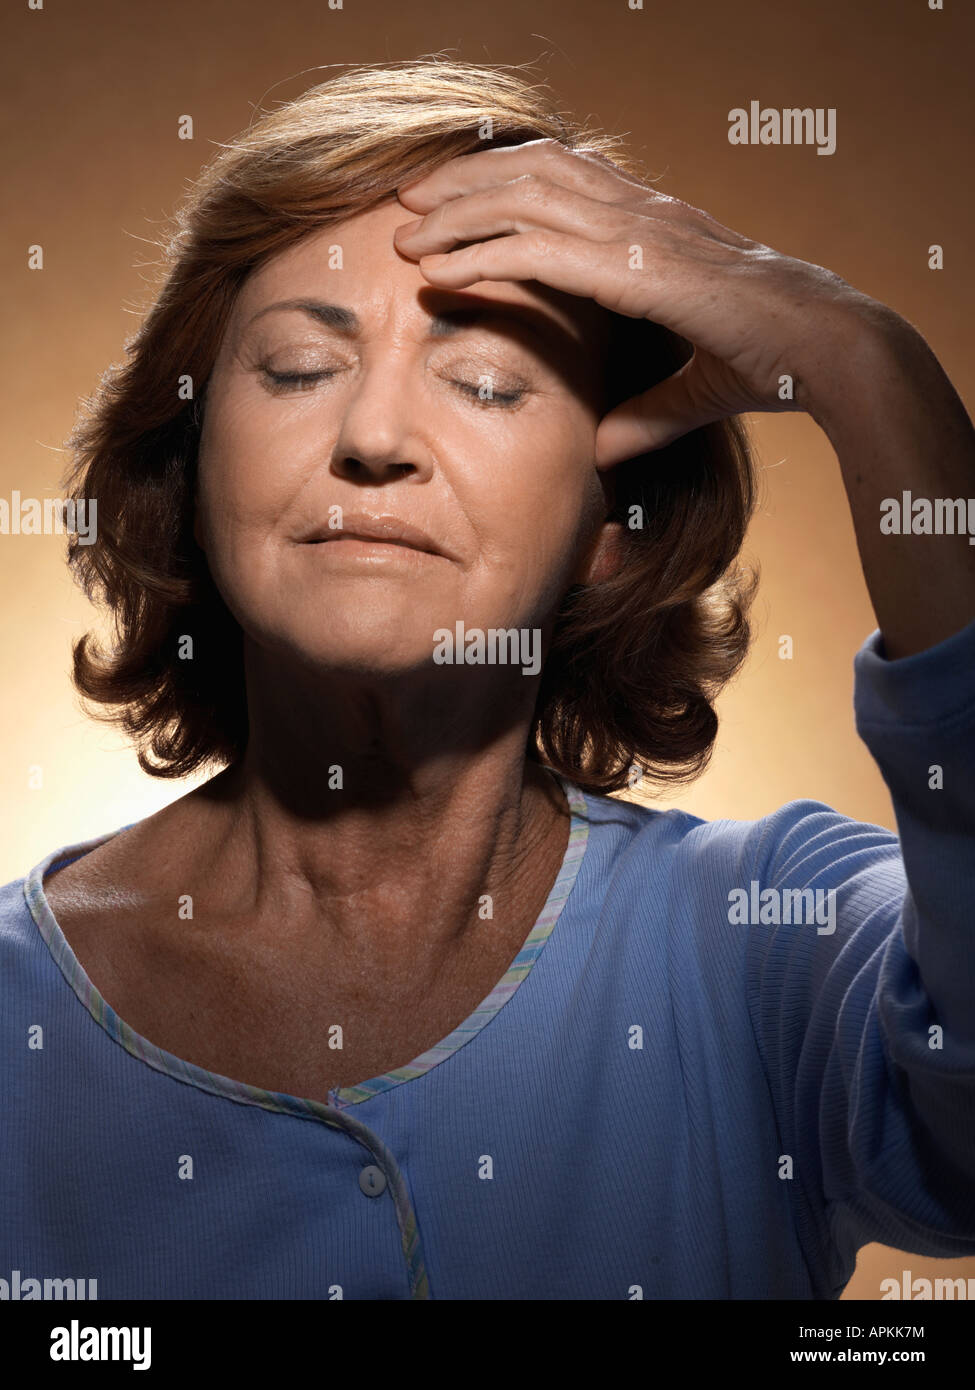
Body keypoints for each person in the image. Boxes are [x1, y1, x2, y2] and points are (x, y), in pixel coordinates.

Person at [1, 57, 973, 1302]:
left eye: (486, 382)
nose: (372, 439)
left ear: (606, 521)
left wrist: (858, 354)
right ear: (191, 464)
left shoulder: (764, 946)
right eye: (299, 368)